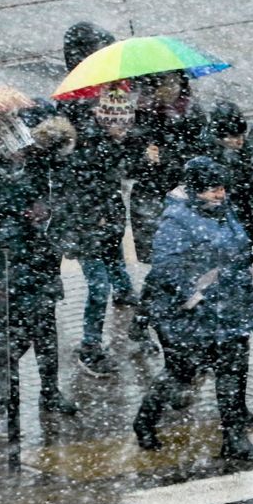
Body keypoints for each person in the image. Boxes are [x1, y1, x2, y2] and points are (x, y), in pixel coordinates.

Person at [134, 156, 253, 465]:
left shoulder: (224, 211)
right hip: (195, 314)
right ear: (194, 190)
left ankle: (234, 438)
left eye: (221, 188)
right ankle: (145, 418)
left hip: (231, 306)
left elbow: (240, 248)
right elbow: (166, 268)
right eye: (211, 190)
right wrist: (195, 295)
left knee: (233, 371)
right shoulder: (175, 220)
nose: (219, 195)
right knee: (181, 371)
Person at [0, 110, 78, 431]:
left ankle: (49, 391)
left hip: (36, 260)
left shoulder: (31, 160)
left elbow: (49, 197)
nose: (19, 146)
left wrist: (42, 207)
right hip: (1, 267)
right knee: (4, 341)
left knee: (45, 333)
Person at [61, 85, 143, 377]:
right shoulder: (88, 147)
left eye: (126, 124)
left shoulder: (111, 142)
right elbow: (76, 193)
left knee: (109, 276)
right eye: (118, 124)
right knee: (98, 287)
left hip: (105, 226)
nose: (123, 129)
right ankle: (90, 346)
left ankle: (104, 337)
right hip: (87, 232)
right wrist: (94, 219)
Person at [129, 69, 206, 263]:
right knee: (162, 261)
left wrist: (166, 156)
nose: (171, 89)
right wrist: (143, 156)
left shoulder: (192, 112)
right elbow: (129, 166)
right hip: (152, 200)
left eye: (175, 83)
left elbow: (201, 154)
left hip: (186, 195)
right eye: (165, 84)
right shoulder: (141, 114)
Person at [201, 100, 253, 249]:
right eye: (234, 136)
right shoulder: (209, 157)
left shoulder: (240, 151)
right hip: (228, 222)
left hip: (246, 216)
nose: (240, 140)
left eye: (242, 135)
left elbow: (251, 178)